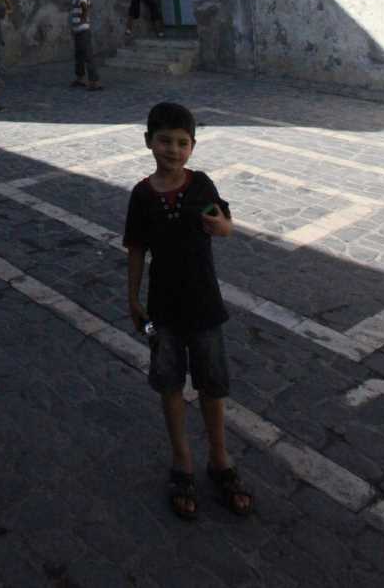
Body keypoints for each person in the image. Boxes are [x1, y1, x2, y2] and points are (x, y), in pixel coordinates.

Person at [123, 101, 253, 521]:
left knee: (212, 386)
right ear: (149, 142)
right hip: (163, 310)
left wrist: (223, 227)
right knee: (170, 386)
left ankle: (219, 457)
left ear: (193, 146)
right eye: (165, 141)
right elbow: (136, 249)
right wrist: (133, 298)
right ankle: (182, 461)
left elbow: (226, 223)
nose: (173, 150)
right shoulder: (142, 195)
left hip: (205, 307)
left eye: (182, 143)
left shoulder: (201, 185)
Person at [69, 0, 102, 90]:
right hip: (79, 31)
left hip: (83, 30)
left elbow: (85, 6)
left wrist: (83, 17)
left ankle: (94, 82)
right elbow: (89, 4)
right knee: (79, 55)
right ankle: (80, 78)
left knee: (88, 55)